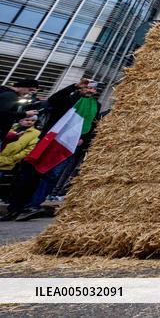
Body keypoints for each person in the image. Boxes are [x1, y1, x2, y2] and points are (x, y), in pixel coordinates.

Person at [2, 78, 100, 221]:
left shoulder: (96, 105)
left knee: (50, 176)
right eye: (87, 88)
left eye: (93, 89)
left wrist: (84, 138)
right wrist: (75, 87)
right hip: (49, 140)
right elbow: (54, 100)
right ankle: (15, 207)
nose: (90, 90)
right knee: (29, 173)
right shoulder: (70, 98)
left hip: (69, 145)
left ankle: (32, 205)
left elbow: (94, 124)